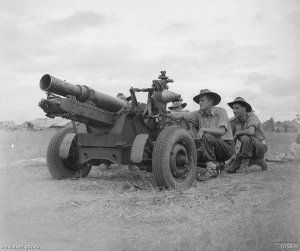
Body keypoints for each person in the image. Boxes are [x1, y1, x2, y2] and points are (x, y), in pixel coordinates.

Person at [169, 89, 235, 181]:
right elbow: (182, 115)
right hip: (210, 148)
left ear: (210, 102)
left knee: (206, 135)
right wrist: (167, 114)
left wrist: (203, 129)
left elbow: (222, 131)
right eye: (199, 101)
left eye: (202, 100)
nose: (199, 103)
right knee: (192, 156)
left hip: (226, 148)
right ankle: (218, 165)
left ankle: (212, 170)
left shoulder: (221, 111)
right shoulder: (198, 114)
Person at [226, 97, 267, 173]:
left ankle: (244, 167)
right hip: (245, 149)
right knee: (230, 169)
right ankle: (258, 161)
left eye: (237, 108)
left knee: (245, 137)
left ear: (244, 108)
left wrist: (238, 133)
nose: (234, 111)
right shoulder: (233, 121)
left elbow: (251, 132)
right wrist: (233, 155)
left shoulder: (252, 116)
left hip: (260, 148)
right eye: (233, 108)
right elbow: (232, 140)